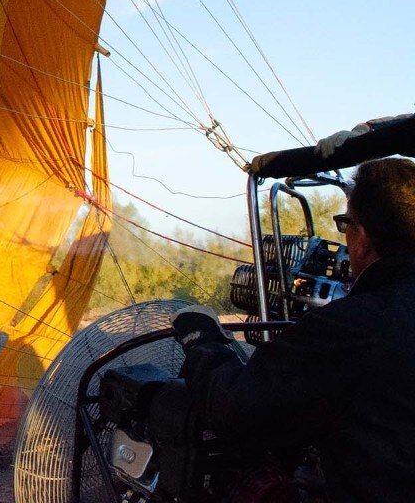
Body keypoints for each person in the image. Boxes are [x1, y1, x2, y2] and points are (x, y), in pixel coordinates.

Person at [171, 157, 415, 503]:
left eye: (345, 226)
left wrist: (202, 340)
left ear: (361, 237)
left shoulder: (358, 325)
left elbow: (236, 405)